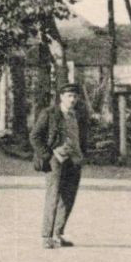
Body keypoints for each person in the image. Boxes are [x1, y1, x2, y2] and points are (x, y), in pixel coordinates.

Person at [31, 81, 89, 249]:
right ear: (61, 97)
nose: (72, 99)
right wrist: (48, 155)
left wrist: (82, 154)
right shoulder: (49, 113)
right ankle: (46, 236)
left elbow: (82, 136)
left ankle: (58, 234)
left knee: (69, 197)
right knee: (53, 197)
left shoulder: (78, 115)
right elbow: (35, 136)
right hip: (55, 159)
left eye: (75, 96)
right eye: (69, 96)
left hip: (74, 160)